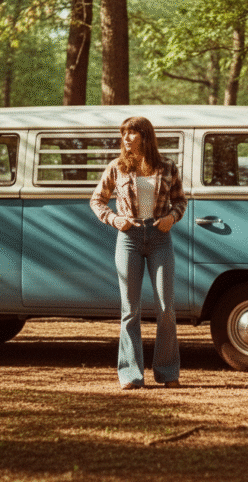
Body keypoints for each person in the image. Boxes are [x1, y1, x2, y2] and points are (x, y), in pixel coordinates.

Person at [90, 116, 187, 390]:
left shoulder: (167, 166)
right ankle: (131, 375)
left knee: (166, 307)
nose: (126, 139)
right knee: (130, 309)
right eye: (124, 134)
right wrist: (113, 219)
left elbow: (180, 200)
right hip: (129, 237)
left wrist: (172, 217)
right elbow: (97, 199)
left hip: (160, 237)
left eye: (131, 134)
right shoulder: (117, 167)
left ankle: (168, 372)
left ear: (145, 136)